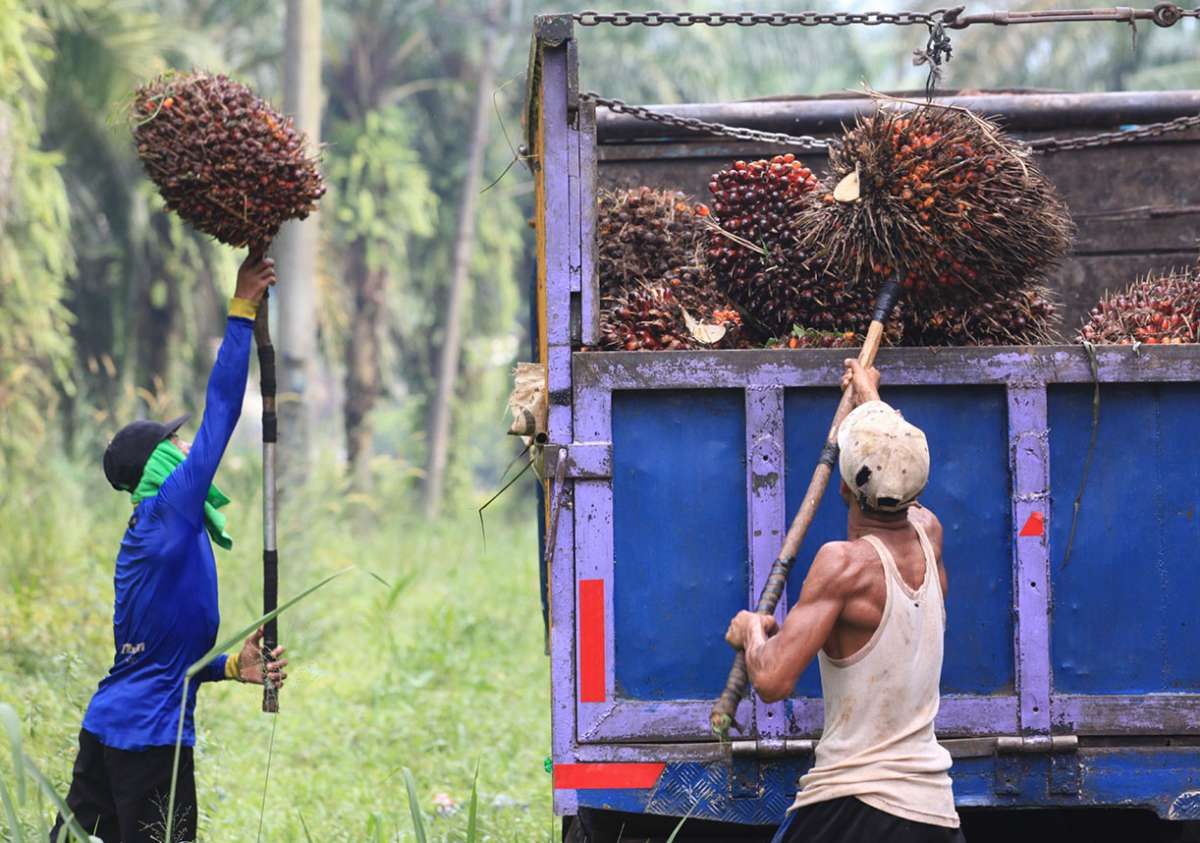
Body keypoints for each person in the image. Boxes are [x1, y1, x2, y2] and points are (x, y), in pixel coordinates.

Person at [51, 253, 289, 843]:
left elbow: (156, 665)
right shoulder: (173, 510)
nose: (185, 448)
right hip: (149, 746)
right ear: (157, 464)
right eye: (173, 443)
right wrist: (242, 309)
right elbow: (222, 414)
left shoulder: (145, 537)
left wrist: (230, 667)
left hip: (107, 728)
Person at [725, 359, 963, 843]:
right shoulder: (930, 534)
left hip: (852, 803)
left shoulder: (844, 565)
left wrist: (751, 631)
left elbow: (771, 681)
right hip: (933, 810)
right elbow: (893, 474)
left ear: (843, 485)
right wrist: (868, 394)